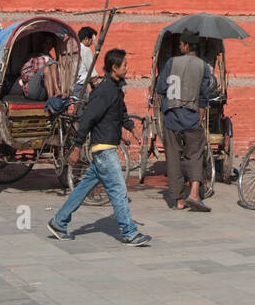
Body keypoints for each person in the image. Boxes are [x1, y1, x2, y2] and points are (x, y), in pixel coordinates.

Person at [48, 49, 150, 246]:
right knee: (119, 190)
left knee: (83, 188)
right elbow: (88, 119)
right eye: (124, 65)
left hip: (106, 148)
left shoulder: (115, 90)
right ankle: (129, 232)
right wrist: (77, 146)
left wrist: (131, 128)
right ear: (114, 67)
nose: (127, 68)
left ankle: (59, 222)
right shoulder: (104, 91)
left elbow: (121, 114)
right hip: (104, 149)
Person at [156, 34, 214, 213]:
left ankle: (178, 200)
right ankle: (195, 193)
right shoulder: (203, 67)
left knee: (173, 158)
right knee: (195, 154)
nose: (180, 47)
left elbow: (160, 87)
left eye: (181, 44)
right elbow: (204, 95)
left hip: (172, 116)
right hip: (191, 117)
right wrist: (201, 112)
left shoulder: (171, 63)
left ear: (187, 46)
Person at [20, 35, 60, 100]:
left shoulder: (52, 60)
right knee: (47, 68)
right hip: (33, 90)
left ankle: (51, 98)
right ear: (42, 44)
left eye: (49, 44)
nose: (47, 45)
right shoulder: (33, 57)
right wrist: (37, 73)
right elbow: (24, 75)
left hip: (45, 92)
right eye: (45, 43)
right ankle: (57, 91)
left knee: (52, 65)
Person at [72, 26, 98, 102]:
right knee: (82, 108)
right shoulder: (86, 50)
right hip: (80, 86)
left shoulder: (74, 48)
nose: (92, 43)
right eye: (91, 40)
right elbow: (91, 72)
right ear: (86, 39)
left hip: (71, 85)